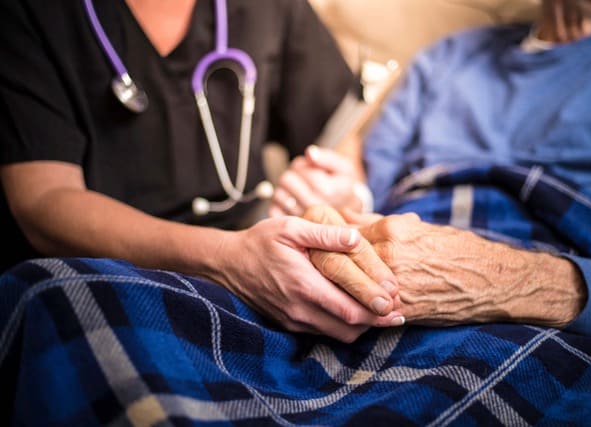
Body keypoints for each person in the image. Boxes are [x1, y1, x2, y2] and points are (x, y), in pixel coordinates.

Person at [0, 0, 407, 342]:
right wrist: (227, 259)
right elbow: (43, 201)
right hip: (98, 277)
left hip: (259, 271)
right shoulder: (30, 13)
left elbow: (335, 137)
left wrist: (344, 191)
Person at [271, 0, 591, 350]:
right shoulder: (448, 57)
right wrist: (343, 196)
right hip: (400, 260)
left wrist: (506, 282)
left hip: (564, 289)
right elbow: (372, 187)